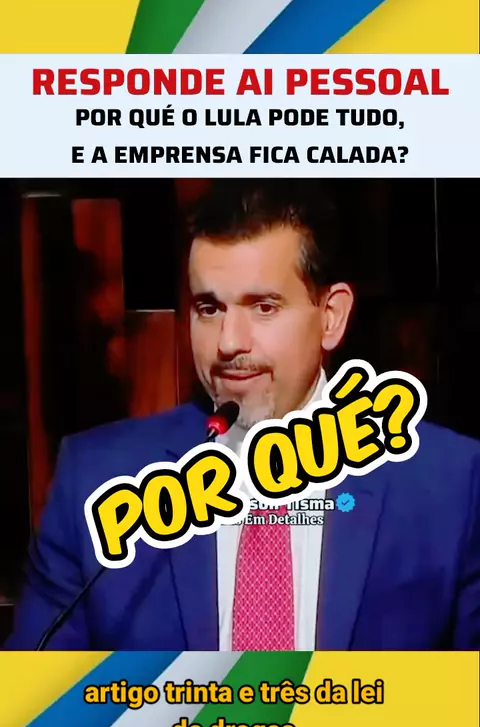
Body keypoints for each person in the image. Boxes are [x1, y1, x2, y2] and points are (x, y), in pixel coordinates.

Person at [4, 180, 480, 650]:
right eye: (209, 308)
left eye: (264, 307)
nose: (229, 342)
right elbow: (42, 696)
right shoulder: (94, 481)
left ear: (331, 316)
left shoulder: (452, 485)